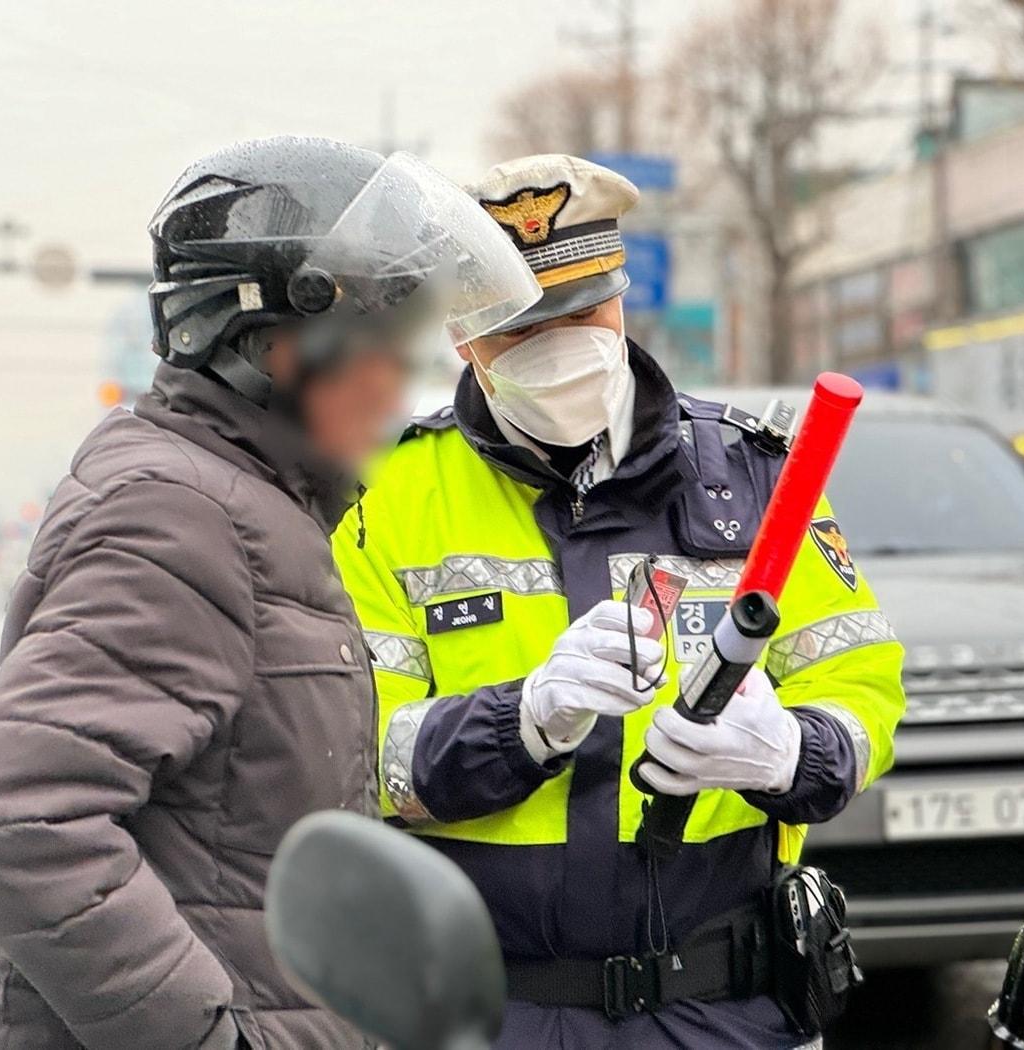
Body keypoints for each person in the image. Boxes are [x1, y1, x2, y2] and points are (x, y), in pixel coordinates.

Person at [0, 136, 539, 1050]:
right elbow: (19, 812)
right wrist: (206, 1039)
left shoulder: (257, 506)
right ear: (275, 347)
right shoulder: (186, 516)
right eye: (385, 348)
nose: (401, 388)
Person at [333, 154, 906, 1049]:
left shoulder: (756, 477)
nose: (562, 347)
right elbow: (356, 755)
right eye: (521, 327)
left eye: (584, 311)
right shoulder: (384, 500)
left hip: (728, 1005)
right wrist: (518, 723)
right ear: (461, 336)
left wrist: (794, 751)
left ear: (623, 298)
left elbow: (863, 684)